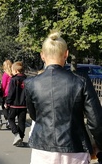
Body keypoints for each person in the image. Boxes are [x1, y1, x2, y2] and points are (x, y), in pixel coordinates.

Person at [25, 31, 102, 164]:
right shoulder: (81, 81)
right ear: (66, 54)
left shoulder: (31, 83)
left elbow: (34, 115)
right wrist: (100, 144)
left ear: (42, 55)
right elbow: (96, 120)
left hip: (42, 148)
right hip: (75, 146)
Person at [5, 61, 27, 146]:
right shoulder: (27, 79)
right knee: (22, 122)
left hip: (14, 104)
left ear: (16, 71)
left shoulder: (13, 80)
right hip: (24, 105)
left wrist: (7, 102)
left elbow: (11, 92)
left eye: (12, 70)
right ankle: (21, 138)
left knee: (10, 119)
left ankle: (16, 134)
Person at [1, 60, 13, 128]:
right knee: (11, 107)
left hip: (6, 93)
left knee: (5, 108)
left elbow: (4, 85)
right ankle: (10, 119)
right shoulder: (13, 74)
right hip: (13, 92)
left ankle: (8, 120)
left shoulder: (5, 74)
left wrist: (2, 92)